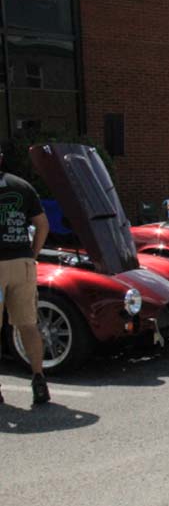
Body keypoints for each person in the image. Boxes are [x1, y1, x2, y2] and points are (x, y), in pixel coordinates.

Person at [0, 149, 51, 405]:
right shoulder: (22, 186)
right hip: (22, 263)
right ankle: (39, 379)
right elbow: (43, 224)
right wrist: (32, 253)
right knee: (28, 325)